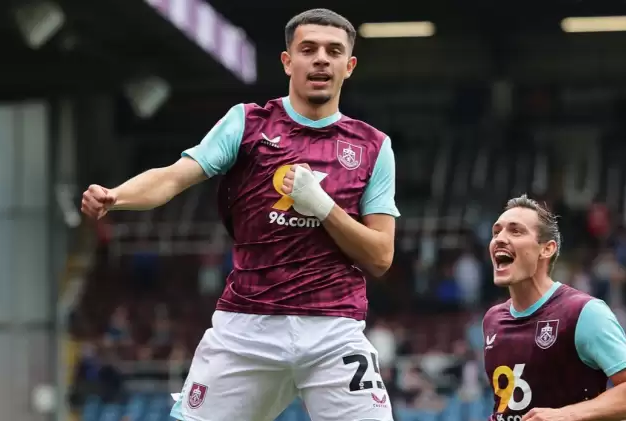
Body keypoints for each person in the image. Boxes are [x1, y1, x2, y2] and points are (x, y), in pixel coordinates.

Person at [80, 8, 398, 421]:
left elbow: (380, 256)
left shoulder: (373, 146)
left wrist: (322, 207)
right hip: (247, 327)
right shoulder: (247, 123)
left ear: (349, 66)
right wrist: (116, 196)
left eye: (333, 51)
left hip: (334, 331)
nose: (321, 59)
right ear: (288, 61)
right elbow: (174, 177)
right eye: (308, 49)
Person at [482, 195, 626, 421]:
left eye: (515, 231)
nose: (500, 239)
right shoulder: (493, 319)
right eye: (496, 232)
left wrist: (564, 415)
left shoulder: (584, 313)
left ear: (547, 249)